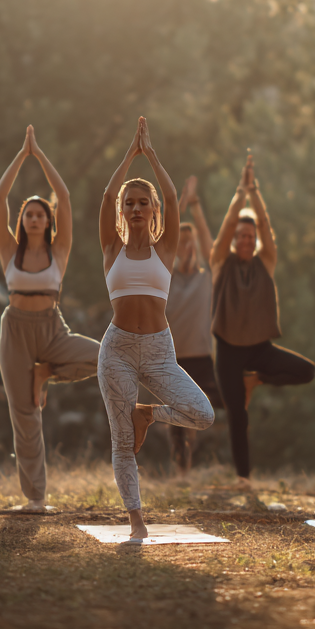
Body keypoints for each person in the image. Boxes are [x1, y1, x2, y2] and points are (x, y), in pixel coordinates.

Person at [98, 118, 215, 538]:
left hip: (161, 350)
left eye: (141, 203)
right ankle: (136, 520)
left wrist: (151, 155)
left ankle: (149, 413)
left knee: (202, 414)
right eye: (129, 203)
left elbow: (170, 193)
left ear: (152, 211)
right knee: (122, 440)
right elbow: (108, 193)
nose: (134, 208)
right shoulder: (112, 246)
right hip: (118, 351)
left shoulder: (164, 247)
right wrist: (130, 155)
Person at [0, 125, 99, 511]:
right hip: (16, 330)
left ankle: (45, 372)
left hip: (53, 330)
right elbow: (1, 197)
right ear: (22, 221)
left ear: (48, 220)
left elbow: (66, 197)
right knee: (24, 414)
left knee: (103, 356)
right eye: (28, 214)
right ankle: (35, 497)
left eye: (40, 214)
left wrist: (40, 155)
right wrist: (22, 157)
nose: (34, 219)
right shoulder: (7, 249)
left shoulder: (60, 250)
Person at [209, 152, 315, 489]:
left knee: (307, 371)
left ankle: (255, 380)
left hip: (259, 349)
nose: (245, 240)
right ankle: (243, 477)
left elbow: (266, 228)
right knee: (236, 415)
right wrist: (239, 194)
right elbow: (226, 228)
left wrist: (255, 193)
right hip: (228, 349)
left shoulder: (265, 261)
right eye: (240, 236)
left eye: (249, 237)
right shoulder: (220, 263)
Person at [162, 175, 221, 475]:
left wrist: (195, 207)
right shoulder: (165, 276)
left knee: (216, 403)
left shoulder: (206, 276)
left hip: (201, 356)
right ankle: (181, 467)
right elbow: (164, 237)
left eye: (190, 242)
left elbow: (210, 244)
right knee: (176, 417)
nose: (186, 246)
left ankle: (201, 451)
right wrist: (180, 203)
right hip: (173, 357)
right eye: (181, 242)